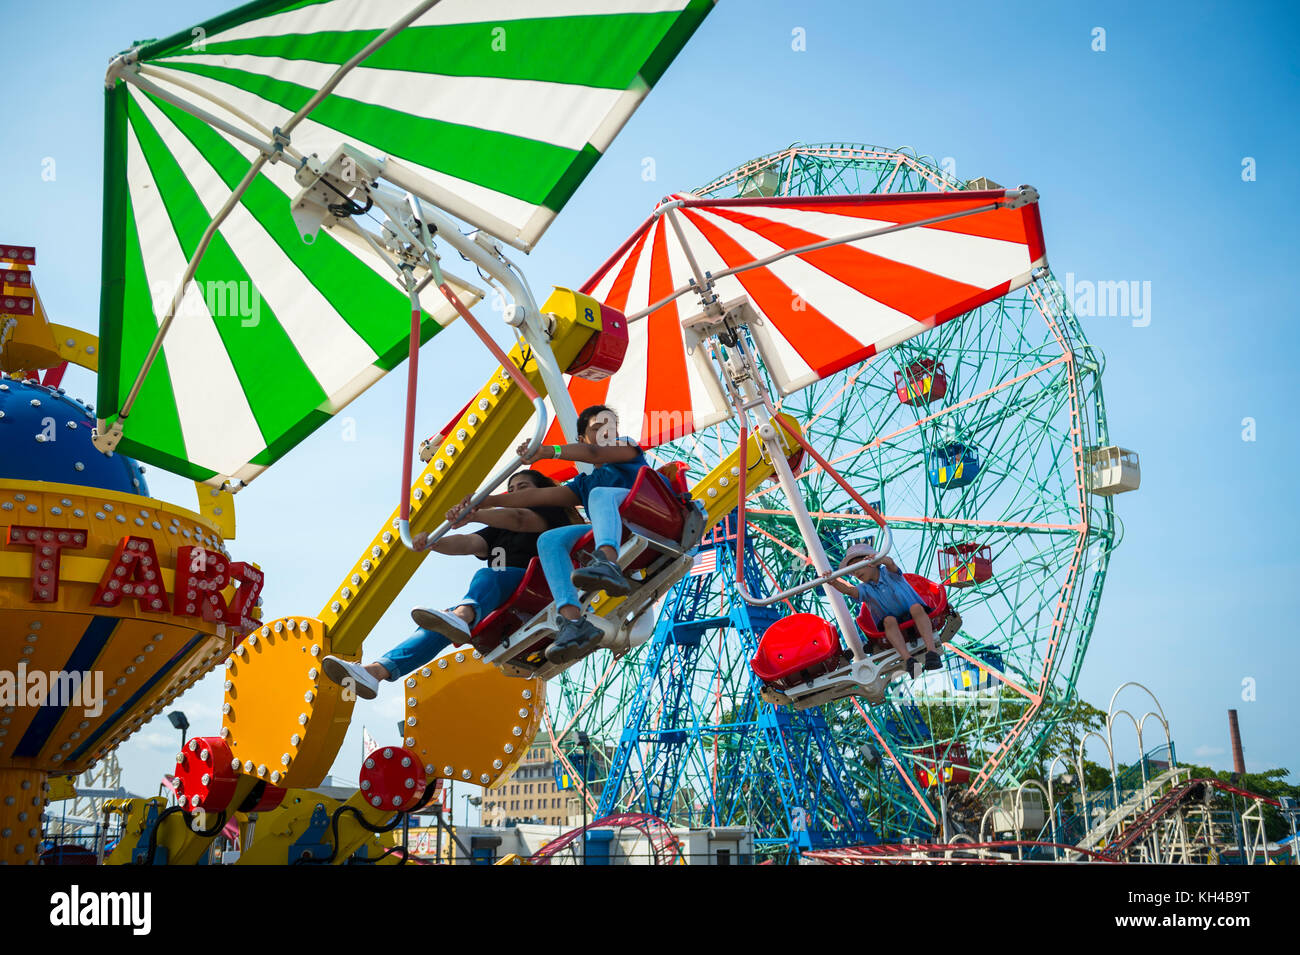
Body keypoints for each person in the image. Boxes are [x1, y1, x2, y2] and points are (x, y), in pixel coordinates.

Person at [321, 469, 574, 699]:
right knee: (437, 628)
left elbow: (521, 518)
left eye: (524, 487)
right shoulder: (499, 530)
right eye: (512, 489)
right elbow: (468, 543)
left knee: (486, 578)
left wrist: (475, 513)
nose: (516, 493)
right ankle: (376, 671)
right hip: (504, 599)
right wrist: (432, 542)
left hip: (539, 585)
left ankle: (463, 616)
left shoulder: (550, 510)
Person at [450, 404, 649, 666]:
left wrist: (548, 451)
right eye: (597, 428)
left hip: (644, 515)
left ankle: (608, 563)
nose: (606, 433)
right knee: (550, 539)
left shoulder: (628, 448)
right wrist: (482, 502)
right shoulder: (583, 484)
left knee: (600, 494)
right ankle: (572, 620)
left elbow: (593, 452)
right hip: (613, 530)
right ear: (581, 438)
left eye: (610, 427)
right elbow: (534, 496)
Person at [828, 542, 941, 677]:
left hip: (915, 613)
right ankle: (909, 660)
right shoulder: (864, 588)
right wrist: (833, 582)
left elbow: (891, 564)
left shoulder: (889, 573)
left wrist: (879, 558)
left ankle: (932, 652)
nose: (856, 572)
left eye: (858, 567)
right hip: (891, 624)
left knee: (916, 608)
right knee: (888, 621)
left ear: (872, 563)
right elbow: (850, 591)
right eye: (852, 571)